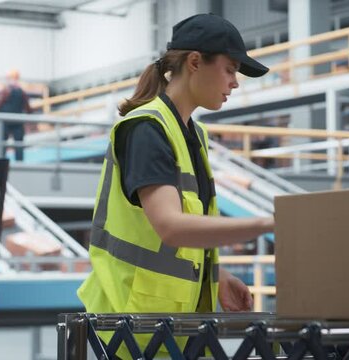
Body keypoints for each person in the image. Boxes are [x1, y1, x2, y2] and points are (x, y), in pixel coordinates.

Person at [77, 13, 274, 357]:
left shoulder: (194, 135)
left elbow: (176, 244)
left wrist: (218, 274)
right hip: (131, 327)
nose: (235, 82)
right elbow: (169, 226)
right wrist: (266, 224)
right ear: (195, 62)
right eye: (230, 69)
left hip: (169, 327)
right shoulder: (146, 129)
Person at [0, 69, 31, 161]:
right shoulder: (21, 92)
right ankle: (19, 164)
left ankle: (0, 163)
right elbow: (28, 108)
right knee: (18, 146)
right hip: (16, 121)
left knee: (2, 145)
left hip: (5, 122)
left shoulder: (6, 91)